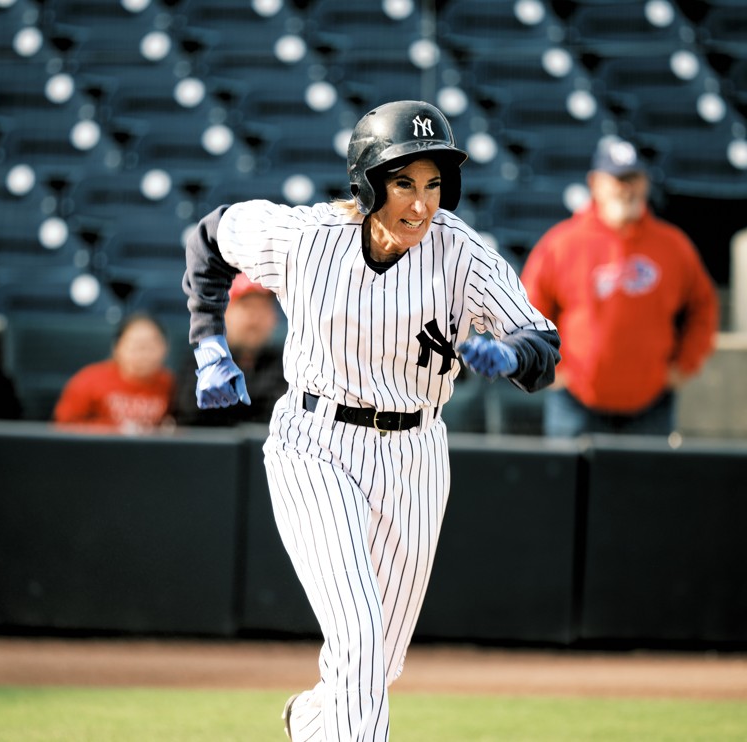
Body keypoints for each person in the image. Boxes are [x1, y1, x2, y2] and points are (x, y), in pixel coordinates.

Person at [182, 100, 560, 742]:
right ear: (366, 181)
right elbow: (210, 235)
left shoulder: (460, 254)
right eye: (404, 182)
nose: (421, 203)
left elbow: (542, 346)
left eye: (434, 183)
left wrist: (512, 353)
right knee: (358, 637)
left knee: (378, 663)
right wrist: (208, 343)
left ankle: (313, 719)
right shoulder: (305, 238)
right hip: (314, 441)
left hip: (415, 454)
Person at [521, 136, 718, 437]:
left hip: (651, 407)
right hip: (576, 406)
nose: (626, 188)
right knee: (570, 485)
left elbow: (702, 305)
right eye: (617, 178)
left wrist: (686, 363)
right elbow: (525, 311)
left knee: (647, 486)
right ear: (596, 183)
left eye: (633, 178)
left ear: (646, 182)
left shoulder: (673, 246)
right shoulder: (562, 244)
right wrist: (553, 369)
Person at [174, 272, 286, 427]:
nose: (255, 318)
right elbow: (191, 415)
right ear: (223, 314)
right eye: (246, 307)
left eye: (263, 308)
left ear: (274, 318)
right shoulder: (200, 361)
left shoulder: (287, 365)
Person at [53, 312, 175, 431]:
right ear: (117, 348)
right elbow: (63, 426)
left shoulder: (171, 384)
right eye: (136, 346)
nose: (143, 354)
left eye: (151, 346)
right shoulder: (89, 380)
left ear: (165, 348)